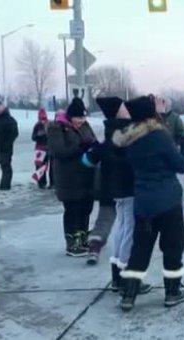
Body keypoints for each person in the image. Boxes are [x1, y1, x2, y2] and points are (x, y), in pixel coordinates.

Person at [113, 95, 184, 311]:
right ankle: (172, 293)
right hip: (167, 202)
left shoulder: (129, 139)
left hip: (143, 203)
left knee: (140, 250)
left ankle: (128, 296)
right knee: (173, 247)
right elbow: (181, 165)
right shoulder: (158, 136)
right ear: (152, 113)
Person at [85, 97, 152, 294]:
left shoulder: (110, 130)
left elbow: (88, 159)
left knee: (122, 229)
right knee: (129, 232)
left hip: (117, 189)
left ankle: (116, 276)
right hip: (128, 187)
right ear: (117, 111)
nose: (127, 108)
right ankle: (127, 278)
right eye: (123, 107)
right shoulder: (124, 130)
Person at [47, 98, 97, 257]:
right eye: (78, 118)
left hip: (86, 175)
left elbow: (94, 141)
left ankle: (82, 237)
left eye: (83, 118)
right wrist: (80, 148)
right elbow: (58, 150)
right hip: (68, 177)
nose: (81, 121)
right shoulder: (58, 128)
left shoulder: (86, 126)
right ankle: (71, 242)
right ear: (70, 116)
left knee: (85, 208)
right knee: (73, 209)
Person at [81, 97, 125, 265]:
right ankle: (127, 255)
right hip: (127, 187)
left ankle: (94, 247)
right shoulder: (127, 133)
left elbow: (86, 160)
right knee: (129, 222)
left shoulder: (107, 138)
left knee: (104, 219)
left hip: (107, 186)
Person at [31, 108, 52, 189]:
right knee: (40, 166)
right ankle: (41, 182)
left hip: (49, 148)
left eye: (44, 118)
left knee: (51, 166)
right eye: (40, 119)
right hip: (40, 149)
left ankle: (52, 182)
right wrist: (38, 136)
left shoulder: (50, 124)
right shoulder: (37, 126)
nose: (42, 120)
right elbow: (33, 137)